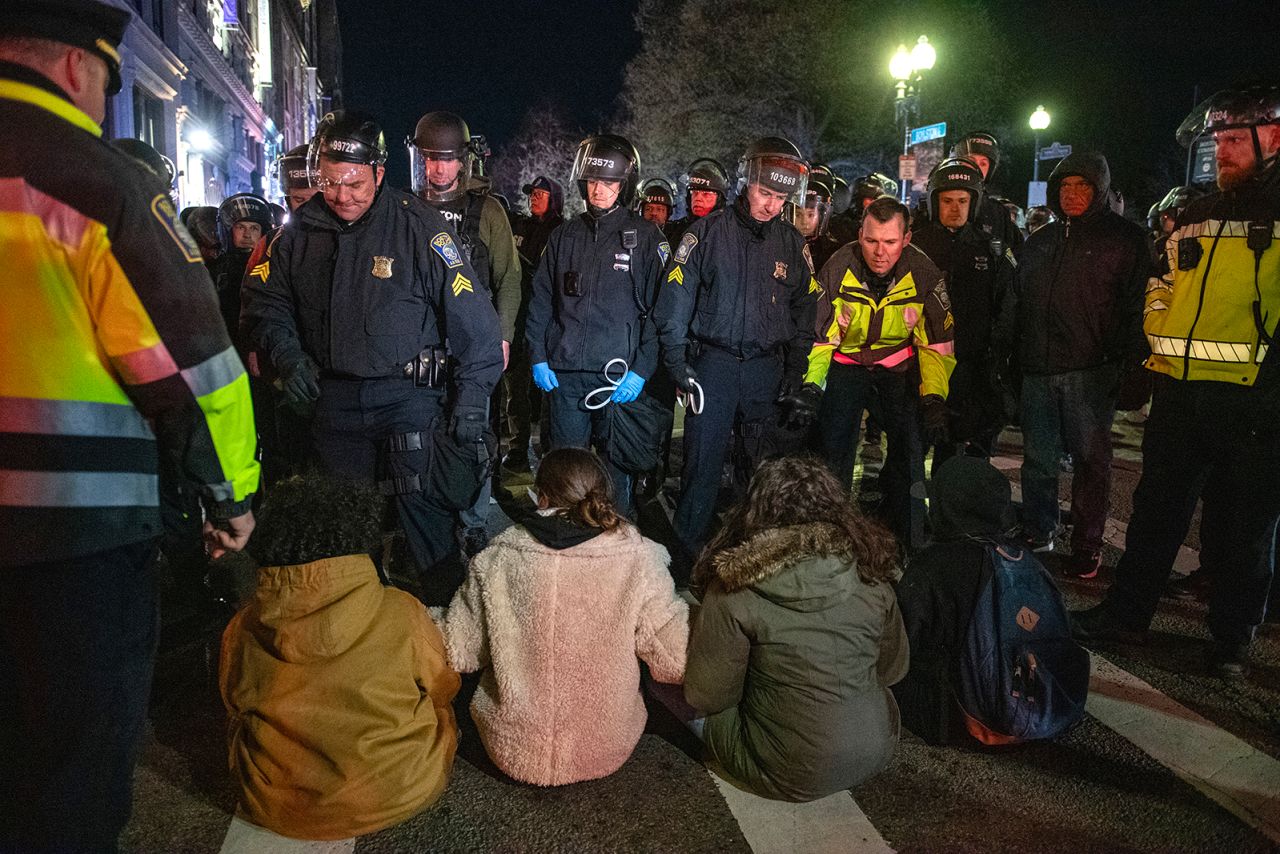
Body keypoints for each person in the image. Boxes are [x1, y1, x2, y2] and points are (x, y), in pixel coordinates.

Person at [0, 3, 260, 848]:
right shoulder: (93, 178)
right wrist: (232, 498)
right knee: (66, 775)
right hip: (72, 538)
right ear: (80, 67)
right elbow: (193, 368)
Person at [242, 110, 503, 605]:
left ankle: (450, 636)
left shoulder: (419, 226)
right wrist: (288, 356)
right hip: (332, 404)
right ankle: (360, 635)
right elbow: (267, 304)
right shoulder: (297, 232)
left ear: (379, 173)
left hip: (407, 400)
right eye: (332, 182)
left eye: (355, 183)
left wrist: (471, 401)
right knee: (342, 536)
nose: (342, 195)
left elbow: (474, 320)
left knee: (423, 517)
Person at [1073, 84, 1280, 678]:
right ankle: (1127, 614)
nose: (1223, 151)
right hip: (1182, 392)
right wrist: (1155, 357)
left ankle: (1230, 641)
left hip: (1255, 399)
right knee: (1155, 512)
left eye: (1236, 139)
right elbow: (1160, 286)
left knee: (1244, 528)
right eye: (1218, 140)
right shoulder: (1195, 211)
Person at [219, 473, 458, 845]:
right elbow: (443, 685)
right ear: (358, 537)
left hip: (278, 807)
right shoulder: (401, 610)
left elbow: (233, 702)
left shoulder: (244, 627)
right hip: (401, 792)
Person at [441, 448, 688, 786]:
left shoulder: (498, 558)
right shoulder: (639, 558)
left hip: (511, 747)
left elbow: (461, 647)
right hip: (606, 746)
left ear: (541, 497)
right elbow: (674, 659)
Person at [682, 457, 907, 802]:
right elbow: (892, 671)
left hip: (781, 768)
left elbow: (707, 696)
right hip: (877, 750)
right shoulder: (870, 571)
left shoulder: (734, 585)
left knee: (673, 671)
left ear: (754, 511)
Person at [653, 136, 819, 568]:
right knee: (701, 466)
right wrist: (677, 362)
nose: (771, 205)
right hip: (714, 365)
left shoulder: (791, 243)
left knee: (760, 469)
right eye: (765, 193)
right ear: (747, 183)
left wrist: (796, 371)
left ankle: (755, 555)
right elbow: (674, 303)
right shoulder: (706, 233)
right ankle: (687, 557)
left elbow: (806, 309)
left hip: (767, 369)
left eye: (781, 197)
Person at [1004, 152, 1151, 578]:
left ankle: (1087, 544)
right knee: (1039, 460)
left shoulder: (1125, 240)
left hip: (1091, 371)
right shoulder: (1040, 241)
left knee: (1091, 461)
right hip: (1038, 369)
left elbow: (1136, 308)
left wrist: (1133, 367)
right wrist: (1011, 356)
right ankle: (1039, 528)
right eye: (1064, 187)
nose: (1071, 195)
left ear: (1100, 190)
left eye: (1082, 186)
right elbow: (1018, 302)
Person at [523, 133, 669, 519]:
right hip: (566, 376)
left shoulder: (648, 239)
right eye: (593, 181)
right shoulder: (562, 236)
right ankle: (568, 543)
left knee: (616, 475)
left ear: (625, 185)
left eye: (609, 182)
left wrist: (641, 370)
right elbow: (540, 301)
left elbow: (660, 313)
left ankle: (617, 542)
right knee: (566, 471)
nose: (600, 190)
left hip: (618, 379)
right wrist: (538, 355)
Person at [805, 195, 955, 550]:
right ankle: (831, 530)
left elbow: (936, 345)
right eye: (871, 240)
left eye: (890, 242)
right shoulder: (838, 267)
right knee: (832, 446)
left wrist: (933, 396)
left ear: (906, 239)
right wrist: (812, 386)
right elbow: (821, 340)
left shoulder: (925, 275)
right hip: (846, 362)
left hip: (896, 365)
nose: (879, 252)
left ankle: (905, 530)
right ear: (860, 234)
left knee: (909, 445)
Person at [408, 110, 521, 558]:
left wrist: (503, 335)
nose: (439, 168)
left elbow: (509, 277)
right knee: (421, 436)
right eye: (431, 158)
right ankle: (431, 519)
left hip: (475, 345)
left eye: (448, 159)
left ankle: (473, 522)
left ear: (464, 161)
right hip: (422, 344)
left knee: (473, 435)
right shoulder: (408, 208)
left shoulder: (487, 211)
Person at [891, 456, 1014, 743]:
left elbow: (899, 642)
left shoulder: (933, 565)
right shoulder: (1021, 559)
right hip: (1017, 700)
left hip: (956, 714)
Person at [911, 157, 1015, 463]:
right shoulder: (915, 246)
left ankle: (956, 507)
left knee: (963, 449)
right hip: (921, 362)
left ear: (974, 203)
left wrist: (996, 359)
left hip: (972, 365)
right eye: (947, 201)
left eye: (962, 201)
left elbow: (1007, 307)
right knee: (911, 447)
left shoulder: (991, 250)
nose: (955, 209)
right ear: (934, 203)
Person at [504, 175, 566, 471]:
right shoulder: (521, 227)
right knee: (516, 387)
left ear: (554, 198)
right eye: (532, 194)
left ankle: (549, 451)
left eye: (541, 194)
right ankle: (518, 448)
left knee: (546, 390)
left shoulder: (562, 232)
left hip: (547, 321)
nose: (534, 198)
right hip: (517, 316)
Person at [211, 192, 273, 347]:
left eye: (254, 228)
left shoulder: (274, 269)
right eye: (240, 227)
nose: (247, 235)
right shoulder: (213, 270)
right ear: (227, 231)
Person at [950, 131, 1025, 256]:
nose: (976, 167)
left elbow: (1016, 258)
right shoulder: (931, 205)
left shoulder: (999, 214)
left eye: (983, 163)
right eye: (970, 160)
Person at [790, 165, 843, 272]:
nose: (804, 222)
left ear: (821, 216)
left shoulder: (834, 251)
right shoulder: (782, 245)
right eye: (798, 215)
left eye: (810, 215)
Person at [665, 156, 730, 243]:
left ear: (719, 199)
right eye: (694, 193)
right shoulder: (674, 232)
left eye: (706, 194)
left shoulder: (730, 233)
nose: (697, 199)